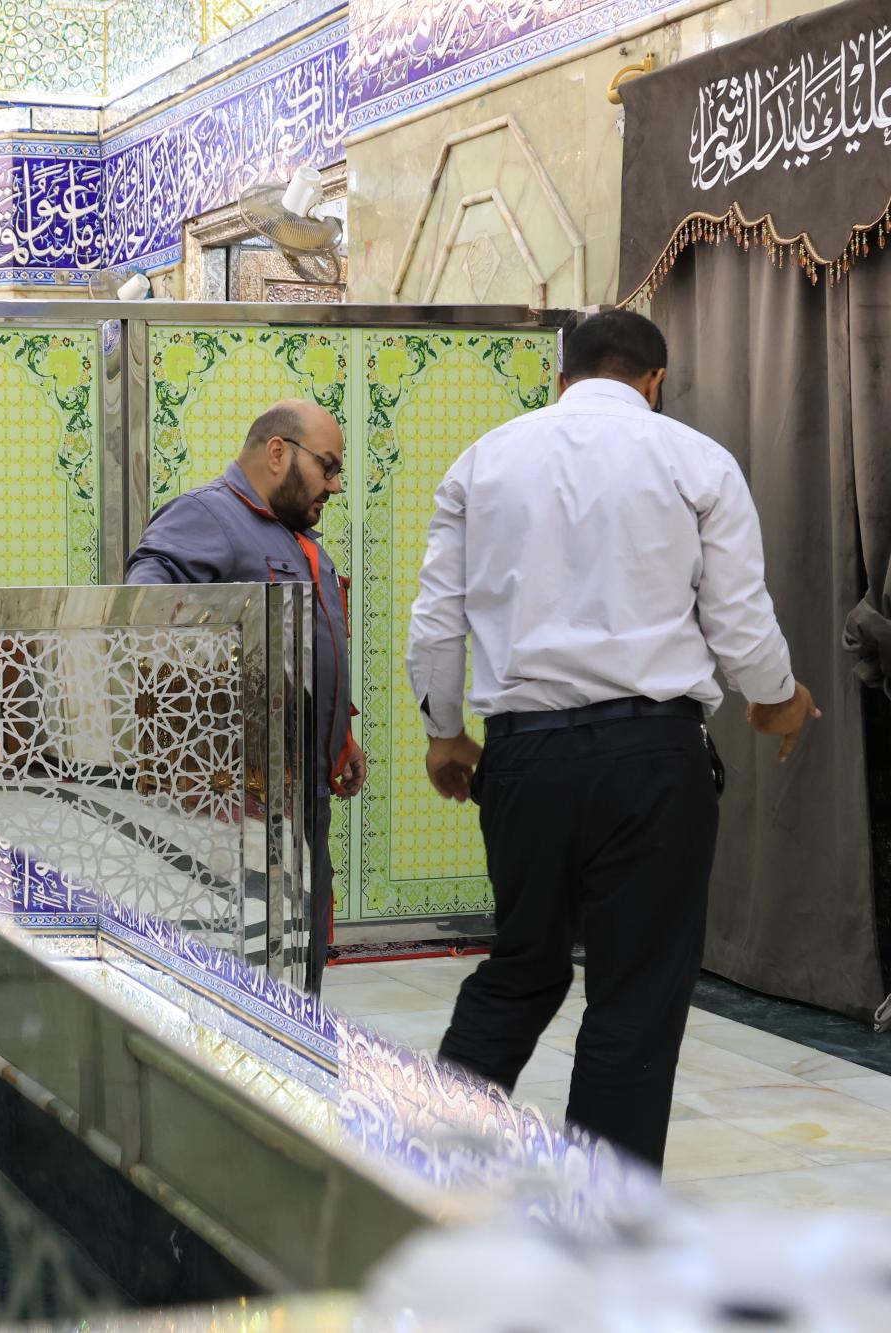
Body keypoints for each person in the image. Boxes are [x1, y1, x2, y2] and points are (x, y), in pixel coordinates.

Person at [405, 308, 818, 1170]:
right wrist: (777, 699)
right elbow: (741, 621)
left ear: (561, 378)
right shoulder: (698, 461)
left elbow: (437, 620)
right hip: (652, 760)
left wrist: (445, 734)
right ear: (655, 382)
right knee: (635, 995)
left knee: (521, 968)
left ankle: (421, 1173)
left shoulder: (482, 460)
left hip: (525, 756)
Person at [125, 399, 365, 988]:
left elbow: (301, 655)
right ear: (278, 452)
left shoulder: (294, 537)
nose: (335, 485)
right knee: (251, 966)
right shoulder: (207, 515)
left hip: (304, 788)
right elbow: (145, 614)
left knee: (300, 957)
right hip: (239, 802)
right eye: (328, 466)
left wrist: (340, 735)